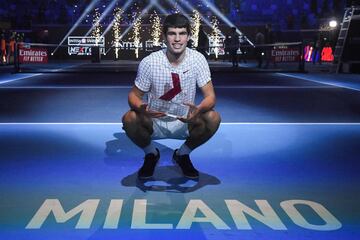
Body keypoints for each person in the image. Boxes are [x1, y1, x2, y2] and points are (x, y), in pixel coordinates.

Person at [122, 13, 221, 180]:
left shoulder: (198, 59)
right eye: (172, 33)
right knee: (129, 118)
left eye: (182, 33)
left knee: (213, 118)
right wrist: (143, 109)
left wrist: (198, 110)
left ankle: (182, 154)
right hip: (154, 121)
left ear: (188, 36)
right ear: (164, 36)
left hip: (185, 120)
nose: (177, 39)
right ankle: (151, 154)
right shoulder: (150, 62)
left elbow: (211, 96)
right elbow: (133, 95)